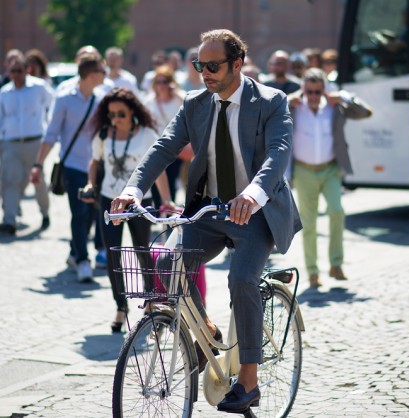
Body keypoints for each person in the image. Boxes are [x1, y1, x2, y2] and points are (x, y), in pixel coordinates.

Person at [110, 28, 301, 413]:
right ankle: (204, 335)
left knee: (241, 279)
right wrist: (133, 189)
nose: (205, 73)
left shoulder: (271, 101)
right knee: (167, 264)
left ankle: (248, 380)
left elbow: (278, 153)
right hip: (210, 210)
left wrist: (253, 194)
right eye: (200, 65)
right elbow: (164, 147)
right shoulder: (195, 103)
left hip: (256, 213)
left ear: (237, 64)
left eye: (213, 66)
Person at [81, 87, 174, 332]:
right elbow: (95, 161)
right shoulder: (103, 134)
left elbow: (158, 168)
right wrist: (90, 184)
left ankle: (151, 302)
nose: (116, 119)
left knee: (143, 252)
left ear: (132, 111)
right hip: (110, 201)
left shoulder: (146, 135)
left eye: (121, 114)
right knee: (113, 255)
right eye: (111, 115)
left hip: (140, 202)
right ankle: (121, 306)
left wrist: (167, 199)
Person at [288, 67, 372, 288]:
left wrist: (343, 97)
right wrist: (288, 101)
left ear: (324, 90)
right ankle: (313, 272)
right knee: (309, 223)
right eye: (309, 92)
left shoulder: (335, 106)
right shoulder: (294, 107)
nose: (314, 96)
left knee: (337, 211)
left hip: (330, 169)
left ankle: (336, 264)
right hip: (304, 170)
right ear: (303, 90)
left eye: (318, 92)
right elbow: (267, 114)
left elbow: (365, 113)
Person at [31, 53, 106, 282]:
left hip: (96, 166)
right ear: (91, 75)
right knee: (79, 213)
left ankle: (75, 251)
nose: (105, 75)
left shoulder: (101, 99)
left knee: (92, 214)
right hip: (73, 165)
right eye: (101, 71)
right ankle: (83, 260)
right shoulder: (64, 98)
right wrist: (38, 164)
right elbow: (51, 133)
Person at [0, 55, 54, 235]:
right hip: (11, 143)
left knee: (38, 180)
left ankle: (45, 213)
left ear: (27, 70)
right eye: (12, 71)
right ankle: (9, 220)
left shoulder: (39, 87)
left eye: (19, 71)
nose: (15, 75)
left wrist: (48, 130)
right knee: (10, 181)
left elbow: (51, 106)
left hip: (35, 142)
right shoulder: (5, 92)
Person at [143, 65, 186, 205]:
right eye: (158, 82)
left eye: (165, 81)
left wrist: (176, 92)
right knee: (155, 181)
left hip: (175, 148)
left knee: (171, 180)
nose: (161, 85)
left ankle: (169, 211)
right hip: (155, 146)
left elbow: (190, 105)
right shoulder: (149, 101)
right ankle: (159, 209)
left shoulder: (178, 98)